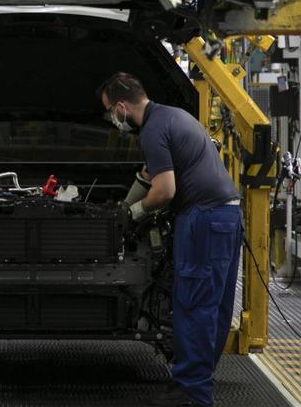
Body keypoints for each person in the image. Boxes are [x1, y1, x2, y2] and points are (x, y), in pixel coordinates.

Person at [99, 72, 242, 407]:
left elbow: (165, 191)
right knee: (214, 306)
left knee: (194, 303)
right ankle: (197, 381)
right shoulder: (171, 116)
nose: (111, 119)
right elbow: (150, 176)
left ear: (122, 106)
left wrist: (133, 214)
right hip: (226, 216)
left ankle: (192, 392)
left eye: (109, 111)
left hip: (203, 218)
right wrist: (125, 205)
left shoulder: (152, 130)